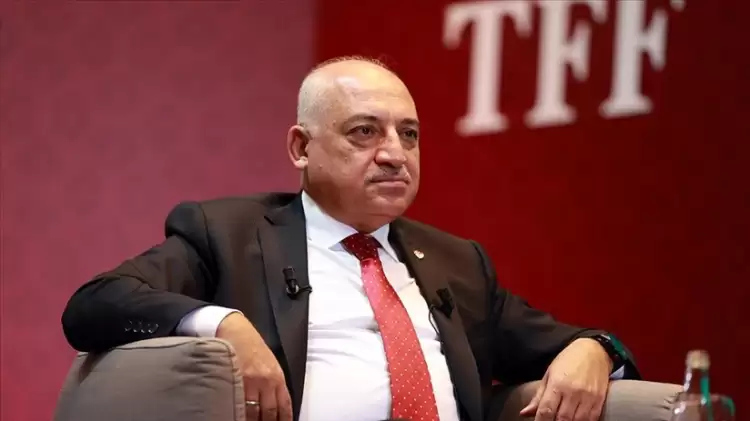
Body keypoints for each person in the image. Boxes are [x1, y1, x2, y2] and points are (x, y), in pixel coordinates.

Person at [61, 56, 639, 421]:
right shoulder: (230, 235)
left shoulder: (455, 262)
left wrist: (595, 349)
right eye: (365, 132)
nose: (394, 153)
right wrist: (225, 325)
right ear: (301, 147)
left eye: (408, 134)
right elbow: (95, 304)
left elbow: (564, 341)